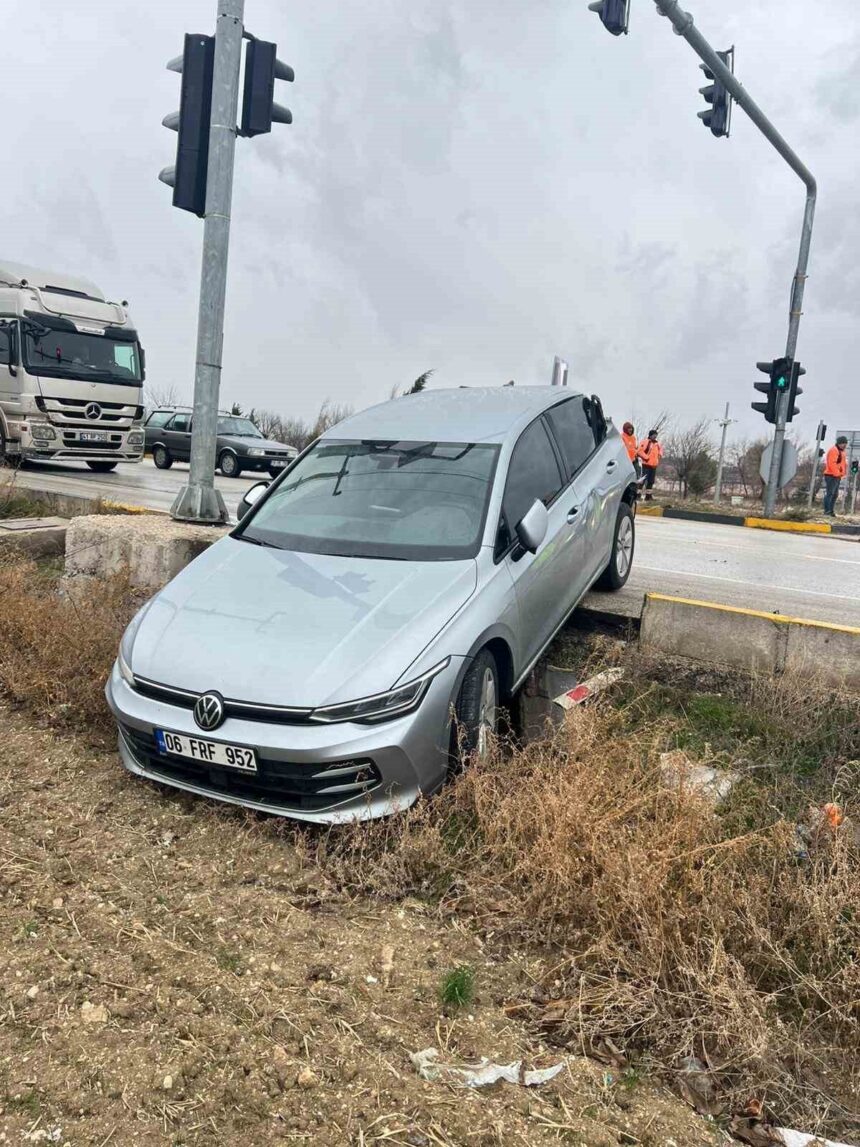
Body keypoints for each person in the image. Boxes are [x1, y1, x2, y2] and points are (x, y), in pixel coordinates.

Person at [822, 435, 848, 517]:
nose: (844, 445)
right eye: (843, 443)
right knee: (830, 493)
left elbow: (843, 464)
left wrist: (843, 473)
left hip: (837, 476)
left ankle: (831, 511)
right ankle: (827, 511)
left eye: (845, 443)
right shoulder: (834, 450)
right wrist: (837, 474)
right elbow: (831, 464)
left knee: (835, 494)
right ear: (839, 443)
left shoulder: (842, 451)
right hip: (831, 475)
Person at [637, 429, 663, 500]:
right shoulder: (645, 442)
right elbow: (639, 451)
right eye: (654, 435)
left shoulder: (657, 444)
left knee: (651, 481)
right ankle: (638, 495)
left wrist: (660, 455)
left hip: (654, 465)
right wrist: (646, 458)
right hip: (646, 464)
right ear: (650, 435)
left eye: (656, 435)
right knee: (643, 480)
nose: (655, 436)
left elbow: (661, 450)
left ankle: (648, 496)